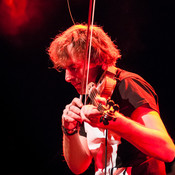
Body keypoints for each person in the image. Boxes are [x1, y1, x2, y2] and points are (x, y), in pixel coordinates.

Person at [48, 24, 175, 175]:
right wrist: (69, 130)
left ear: (95, 58)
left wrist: (114, 121)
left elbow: (167, 151)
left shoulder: (128, 85)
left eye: (74, 68)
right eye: (65, 69)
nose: (67, 78)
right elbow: (78, 166)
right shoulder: (92, 95)